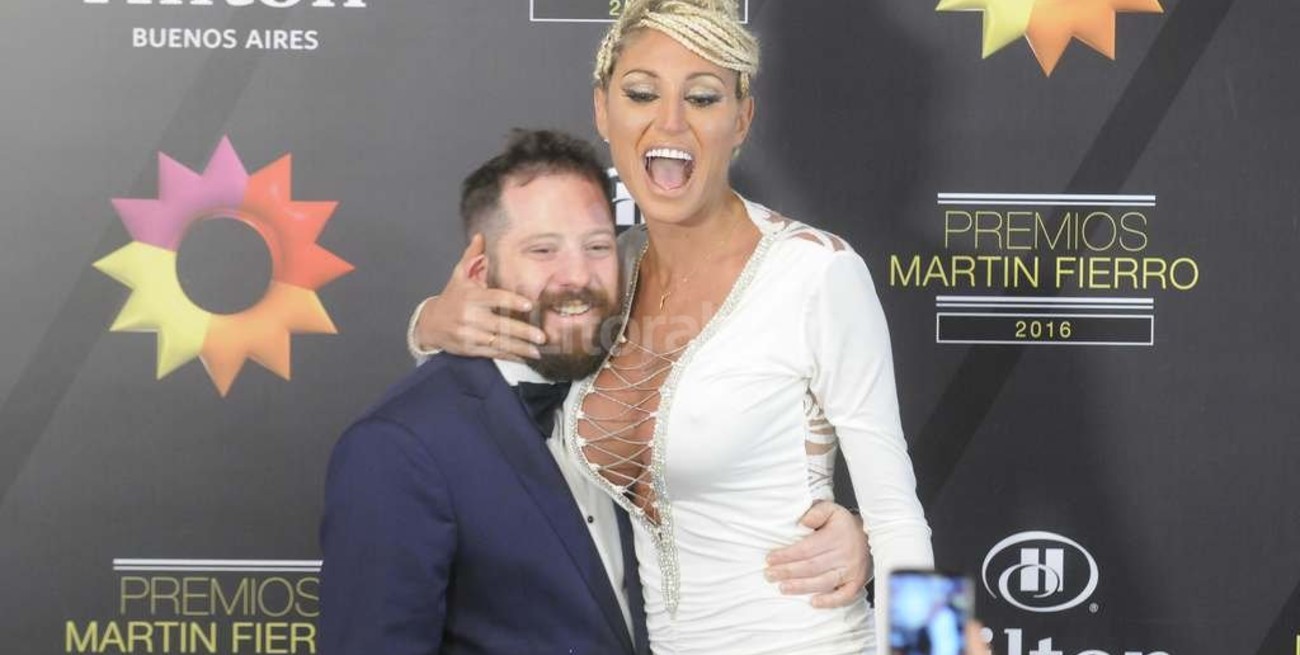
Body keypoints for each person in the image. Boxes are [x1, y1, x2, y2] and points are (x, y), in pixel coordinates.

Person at [410, 1, 935, 652]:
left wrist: (929, 645)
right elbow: (494, 384)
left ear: (741, 119)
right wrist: (428, 324)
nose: (670, 121)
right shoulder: (605, 271)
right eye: (641, 93)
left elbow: (896, 517)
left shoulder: (816, 273)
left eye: (703, 97)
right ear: (603, 110)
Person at [321, 129, 870, 654]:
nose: (577, 276)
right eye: (543, 250)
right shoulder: (398, 448)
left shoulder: (659, 391)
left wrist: (856, 539)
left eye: (597, 246)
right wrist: (425, 325)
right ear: (481, 269)